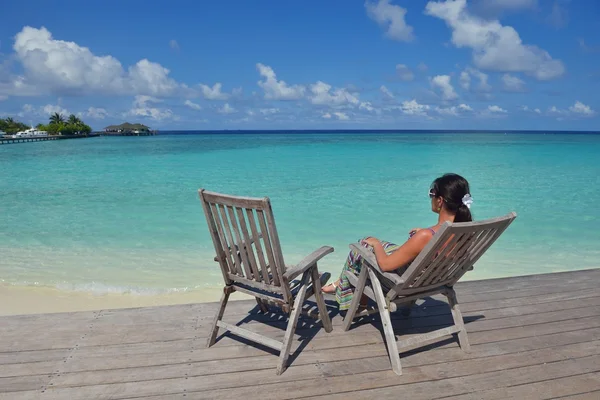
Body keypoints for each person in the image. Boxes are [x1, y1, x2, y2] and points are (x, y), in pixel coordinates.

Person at [322, 173, 474, 311]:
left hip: (401, 284)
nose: (431, 198)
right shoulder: (465, 233)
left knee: (362, 246)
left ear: (440, 201)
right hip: (430, 282)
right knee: (377, 245)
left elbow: (385, 265)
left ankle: (346, 292)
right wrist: (424, 234)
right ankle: (339, 285)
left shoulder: (426, 236)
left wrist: (376, 244)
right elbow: (465, 262)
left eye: (431, 194)